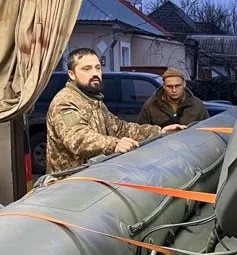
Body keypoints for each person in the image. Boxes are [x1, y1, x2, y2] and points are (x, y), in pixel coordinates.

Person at [46, 48, 186, 173]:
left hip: (92, 179)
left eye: (98, 68)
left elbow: (121, 129)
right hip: (68, 187)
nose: (95, 73)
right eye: (86, 69)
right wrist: (113, 144)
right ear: (71, 74)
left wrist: (159, 132)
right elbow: (78, 138)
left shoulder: (94, 101)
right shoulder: (64, 102)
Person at [137, 68, 209, 127]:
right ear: (164, 86)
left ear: (184, 84)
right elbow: (142, 132)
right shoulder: (150, 106)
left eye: (177, 86)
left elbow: (206, 130)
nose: (174, 90)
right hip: (162, 144)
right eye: (169, 86)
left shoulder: (197, 105)